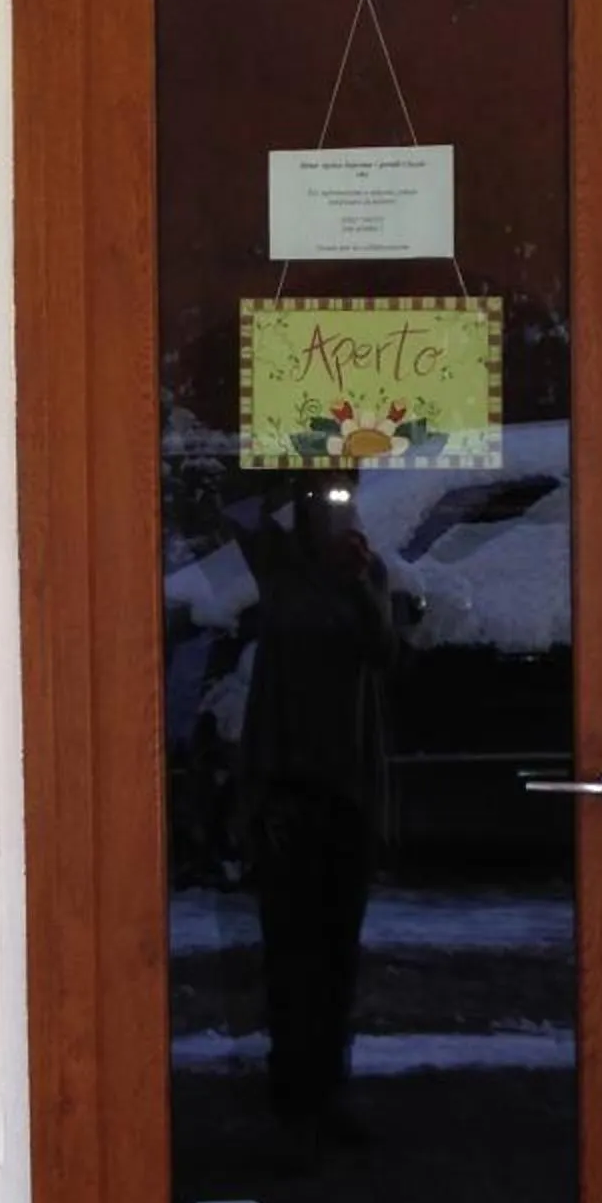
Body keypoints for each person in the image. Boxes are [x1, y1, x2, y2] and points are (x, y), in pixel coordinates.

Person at [239, 482, 399, 1151]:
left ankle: (327, 1092)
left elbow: (385, 656)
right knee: (292, 960)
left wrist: (361, 582)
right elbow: (241, 512)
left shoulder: (364, 574)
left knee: (335, 957)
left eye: (344, 506)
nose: (337, 518)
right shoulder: (277, 568)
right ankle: (293, 1106)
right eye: (324, 506)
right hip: (288, 789)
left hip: (345, 790)